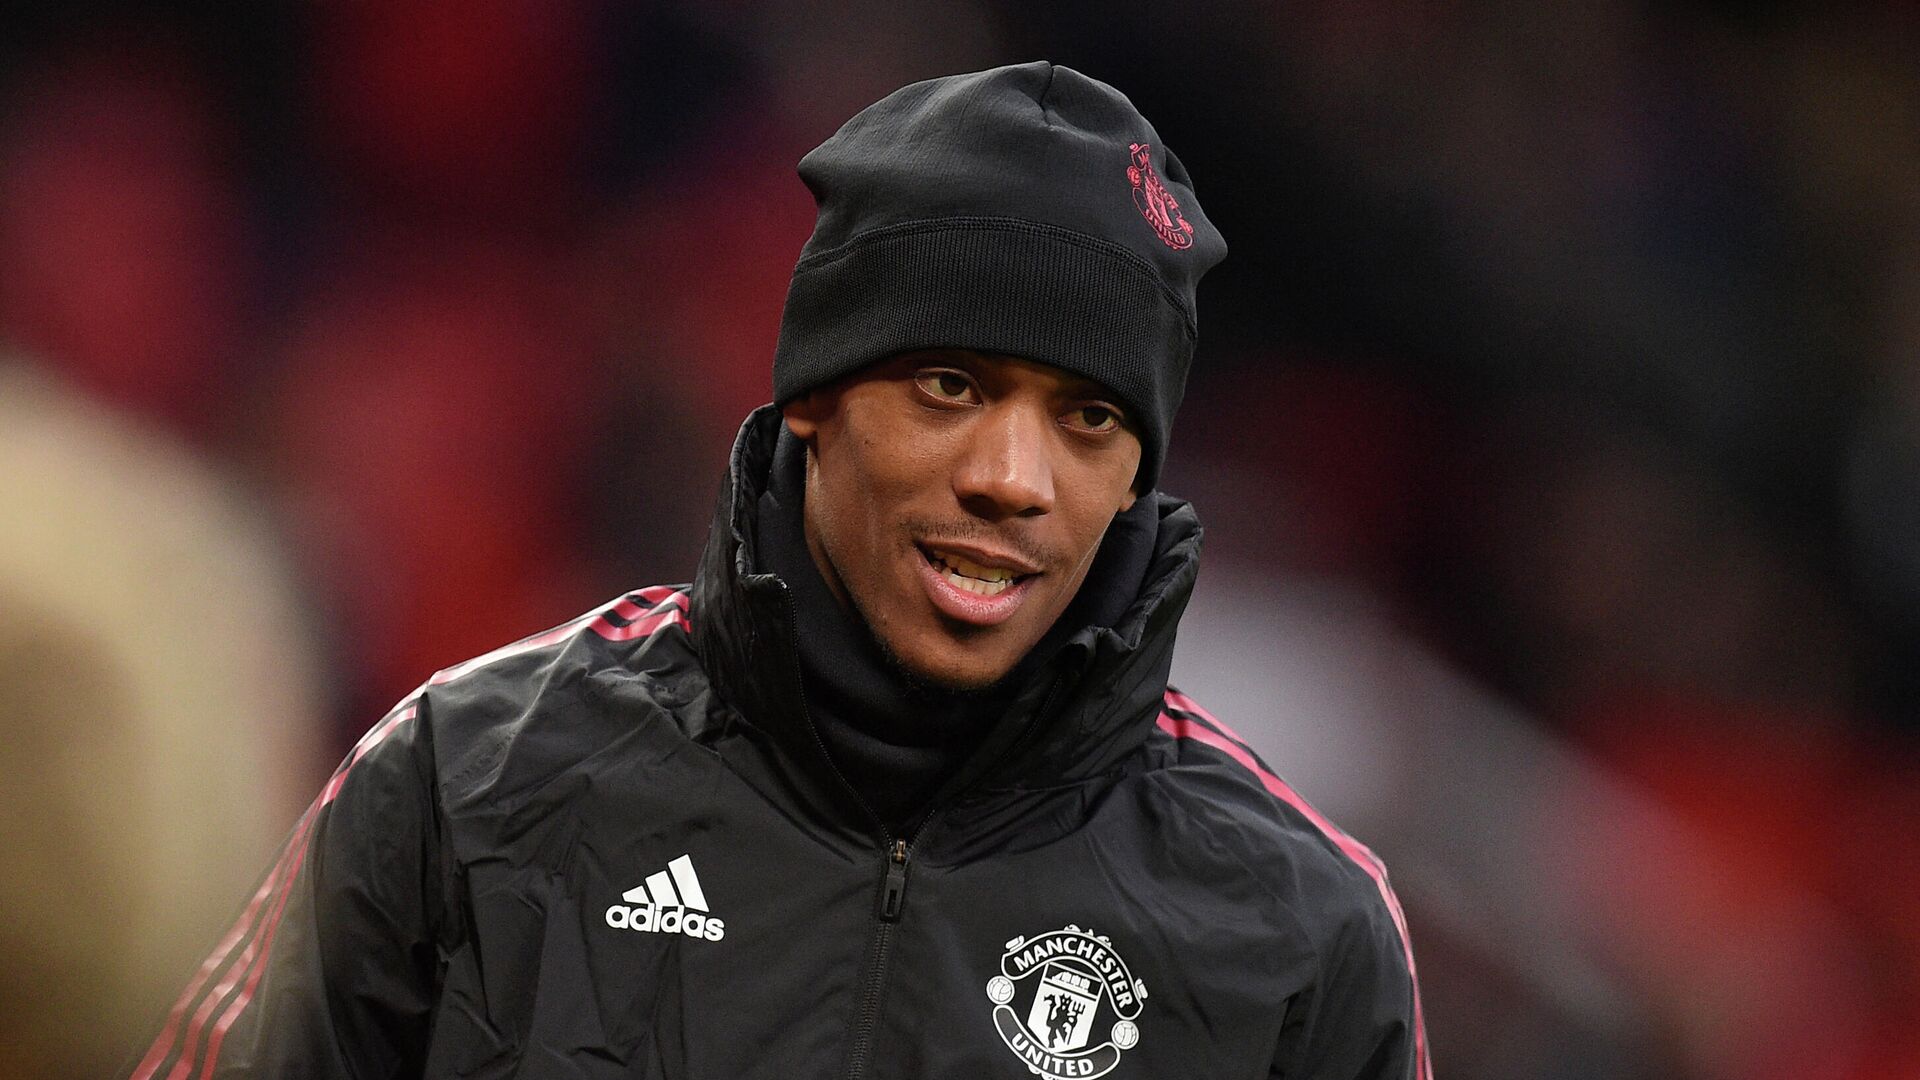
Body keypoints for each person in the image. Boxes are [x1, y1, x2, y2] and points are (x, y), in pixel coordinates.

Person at [129, 62, 1430, 1080]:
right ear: (813, 400)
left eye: (1088, 419)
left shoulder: (1301, 928)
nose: (1015, 477)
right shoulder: (469, 777)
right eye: (951, 385)